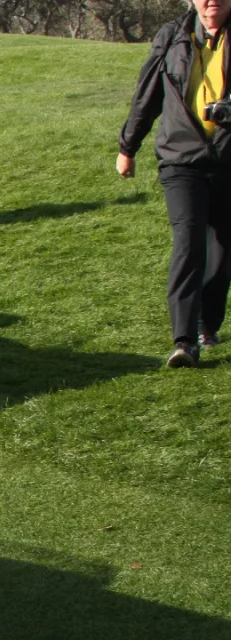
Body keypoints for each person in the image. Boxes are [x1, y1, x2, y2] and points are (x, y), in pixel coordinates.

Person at [120, 0, 231, 367]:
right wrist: (128, 146)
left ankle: (206, 324)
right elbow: (147, 93)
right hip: (181, 158)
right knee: (188, 239)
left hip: (228, 158)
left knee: (222, 246)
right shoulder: (173, 37)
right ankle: (185, 341)